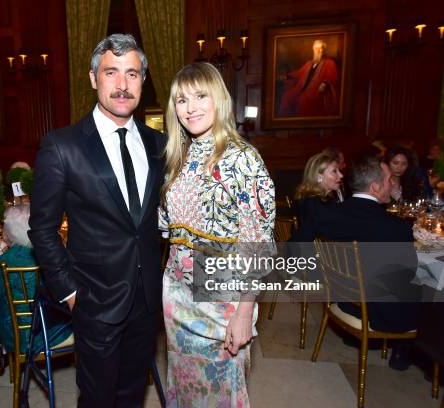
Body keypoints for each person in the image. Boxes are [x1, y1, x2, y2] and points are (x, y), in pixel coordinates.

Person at [29, 33, 166, 407]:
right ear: (93, 78)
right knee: (97, 398)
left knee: (132, 394)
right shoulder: (62, 146)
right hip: (94, 300)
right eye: (111, 72)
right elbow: (41, 229)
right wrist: (71, 293)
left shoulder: (160, 145)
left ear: (142, 81)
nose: (122, 85)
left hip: (146, 299)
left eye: (132, 74)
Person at [159, 62, 275, 407]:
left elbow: (258, 245)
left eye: (200, 96)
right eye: (181, 100)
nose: (190, 108)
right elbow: (165, 228)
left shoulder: (243, 159)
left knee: (223, 389)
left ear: (219, 99)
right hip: (176, 294)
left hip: (224, 299)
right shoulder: (176, 157)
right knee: (183, 387)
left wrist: (243, 313)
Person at [292, 155, 419, 369]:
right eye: (388, 181)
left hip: (343, 298)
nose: (392, 184)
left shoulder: (326, 214)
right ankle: (411, 354)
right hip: (379, 313)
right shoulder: (396, 228)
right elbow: (408, 275)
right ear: (375, 187)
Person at [0, 205, 72, 354]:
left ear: (8, 233)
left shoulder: (0, 264)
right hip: (58, 328)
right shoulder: (55, 255)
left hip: (19, 336)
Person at [279, 39, 339, 117]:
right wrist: (286, 76)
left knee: (304, 100)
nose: (318, 50)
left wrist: (324, 83)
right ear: (313, 50)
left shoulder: (329, 63)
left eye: (320, 48)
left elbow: (332, 76)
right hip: (302, 88)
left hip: (317, 90)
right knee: (286, 97)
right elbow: (298, 73)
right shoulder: (309, 63)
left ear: (323, 50)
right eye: (316, 48)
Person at [294, 150, 344, 225]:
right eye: (334, 171)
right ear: (319, 177)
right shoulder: (312, 204)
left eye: (339, 170)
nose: (341, 175)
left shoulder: (326, 200)